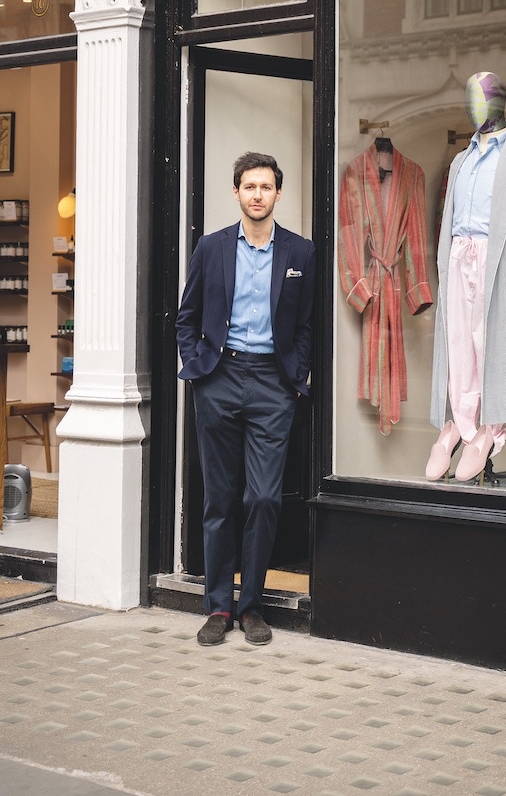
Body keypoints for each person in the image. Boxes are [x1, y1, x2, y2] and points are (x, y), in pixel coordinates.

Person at [176, 151, 315, 645]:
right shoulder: (211, 249)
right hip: (219, 377)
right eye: (249, 187)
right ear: (236, 193)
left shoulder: (300, 253)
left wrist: (296, 377)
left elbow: (307, 326)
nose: (257, 194)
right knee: (219, 499)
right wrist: (198, 369)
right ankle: (218, 607)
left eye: (266, 187)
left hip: (272, 385)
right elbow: (186, 316)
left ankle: (251, 606)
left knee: (262, 497)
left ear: (279, 194)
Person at [427, 72, 506, 482]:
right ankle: (455, 428)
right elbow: (447, 223)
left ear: (502, 103)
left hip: (501, 267)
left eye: (485, 100)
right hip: (460, 258)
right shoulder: (460, 160)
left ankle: (485, 431)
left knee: (490, 349)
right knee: (459, 348)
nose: (478, 108)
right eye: (472, 101)